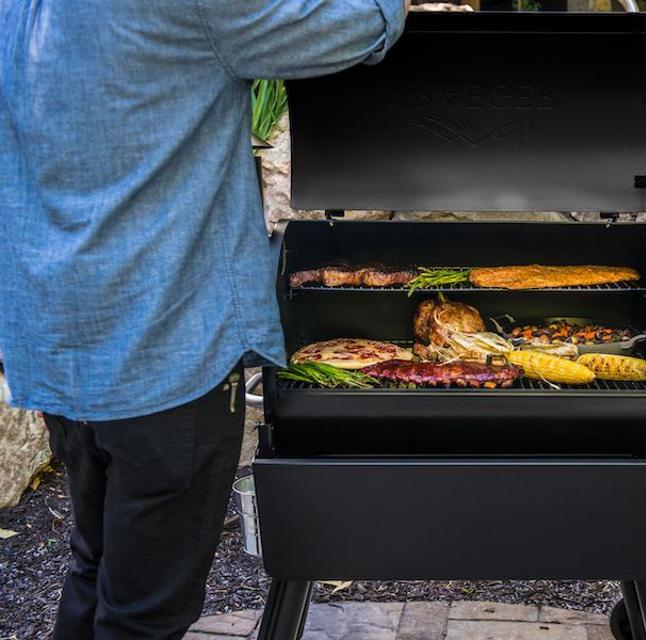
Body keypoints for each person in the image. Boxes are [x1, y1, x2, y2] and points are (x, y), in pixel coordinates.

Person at [0, 1, 408, 638]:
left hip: (60, 341)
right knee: (144, 615)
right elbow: (363, 22)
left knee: (98, 564)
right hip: (164, 349)